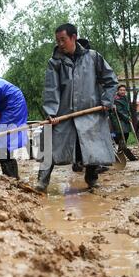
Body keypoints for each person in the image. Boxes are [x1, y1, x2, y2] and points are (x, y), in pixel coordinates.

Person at [36, 23, 118, 192]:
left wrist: (107, 101)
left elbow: (111, 81)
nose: (60, 43)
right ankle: (42, 182)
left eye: (63, 39)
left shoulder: (93, 57)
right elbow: (51, 88)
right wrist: (51, 113)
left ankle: (91, 178)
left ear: (73, 37)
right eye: (57, 40)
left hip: (90, 113)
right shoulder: (55, 62)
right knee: (50, 144)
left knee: (92, 147)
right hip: (62, 114)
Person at [109, 84, 137, 161]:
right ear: (118, 91)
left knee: (125, 137)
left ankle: (120, 155)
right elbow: (120, 111)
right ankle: (129, 156)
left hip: (125, 120)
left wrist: (129, 116)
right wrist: (127, 118)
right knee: (122, 138)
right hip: (119, 121)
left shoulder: (124, 98)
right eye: (121, 90)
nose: (122, 91)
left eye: (124, 90)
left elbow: (126, 109)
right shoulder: (116, 99)